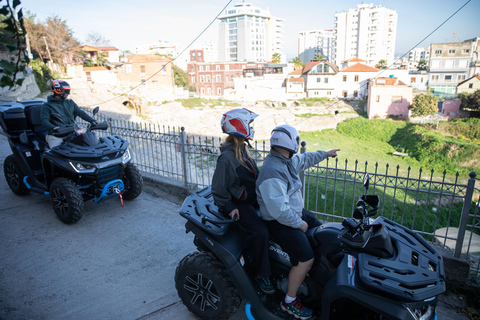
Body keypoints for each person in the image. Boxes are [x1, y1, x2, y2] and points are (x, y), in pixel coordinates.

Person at [256, 124, 340, 320]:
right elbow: (279, 211)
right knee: (306, 258)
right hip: (280, 221)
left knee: (321, 232)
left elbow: (304, 159)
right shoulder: (272, 171)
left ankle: (312, 282)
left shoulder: (285, 160)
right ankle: (290, 302)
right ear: (289, 143)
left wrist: (325, 154)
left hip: (293, 214)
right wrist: (299, 224)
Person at [211, 108, 274, 294]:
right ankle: (261, 274)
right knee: (260, 231)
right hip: (238, 204)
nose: (252, 127)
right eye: (250, 124)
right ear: (240, 126)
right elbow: (218, 189)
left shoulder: (242, 149)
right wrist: (229, 207)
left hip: (250, 198)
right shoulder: (227, 158)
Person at [41, 80, 98, 148]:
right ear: (59, 91)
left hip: (72, 133)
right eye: (67, 91)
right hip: (57, 136)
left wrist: (92, 120)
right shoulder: (47, 106)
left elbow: (80, 112)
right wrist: (53, 128)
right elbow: (44, 121)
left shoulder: (70, 102)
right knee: (56, 153)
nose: (68, 93)